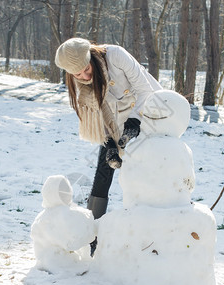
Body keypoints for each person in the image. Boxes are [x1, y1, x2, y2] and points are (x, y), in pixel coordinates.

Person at [55, 37, 162, 221]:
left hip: (152, 111)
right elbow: (98, 115)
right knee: (105, 167)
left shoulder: (115, 56)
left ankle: (151, 220)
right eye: (78, 75)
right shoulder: (79, 83)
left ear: (91, 58)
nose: (85, 77)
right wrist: (110, 142)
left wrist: (135, 121)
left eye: (87, 69)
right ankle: (92, 228)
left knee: (149, 168)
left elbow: (145, 89)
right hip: (116, 124)